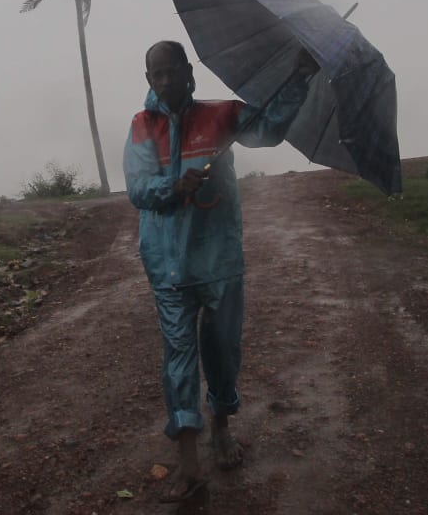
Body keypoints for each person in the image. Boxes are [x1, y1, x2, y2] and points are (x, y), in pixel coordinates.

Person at [123, 39, 317, 502]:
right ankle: (190, 466)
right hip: (168, 266)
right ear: (148, 79)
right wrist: (174, 184)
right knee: (179, 361)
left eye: (173, 71)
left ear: (189, 72)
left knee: (223, 352)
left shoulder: (222, 115)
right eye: (156, 74)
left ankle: (222, 427)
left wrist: (301, 77)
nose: (165, 81)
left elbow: (267, 128)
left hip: (220, 262)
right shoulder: (142, 126)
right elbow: (138, 188)